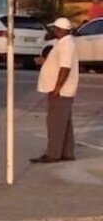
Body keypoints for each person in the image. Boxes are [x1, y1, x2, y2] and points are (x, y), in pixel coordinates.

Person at [32, 17, 80, 164]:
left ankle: (53, 154)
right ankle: (67, 152)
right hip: (62, 89)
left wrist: (57, 88)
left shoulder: (66, 44)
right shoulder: (63, 43)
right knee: (64, 122)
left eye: (54, 28)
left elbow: (65, 68)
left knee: (55, 122)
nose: (53, 30)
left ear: (60, 30)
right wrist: (45, 62)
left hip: (61, 90)